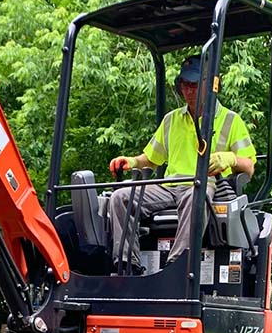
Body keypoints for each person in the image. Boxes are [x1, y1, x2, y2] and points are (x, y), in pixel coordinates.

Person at [108, 55, 255, 273]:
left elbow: (249, 166)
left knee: (196, 195)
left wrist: (230, 158)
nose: (188, 91)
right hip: (168, 187)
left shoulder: (230, 120)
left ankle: (178, 267)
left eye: (194, 85)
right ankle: (128, 267)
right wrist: (131, 161)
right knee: (120, 197)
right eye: (185, 85)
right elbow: (149, 158)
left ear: (211, 84)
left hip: (201, 185)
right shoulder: (171, 120)